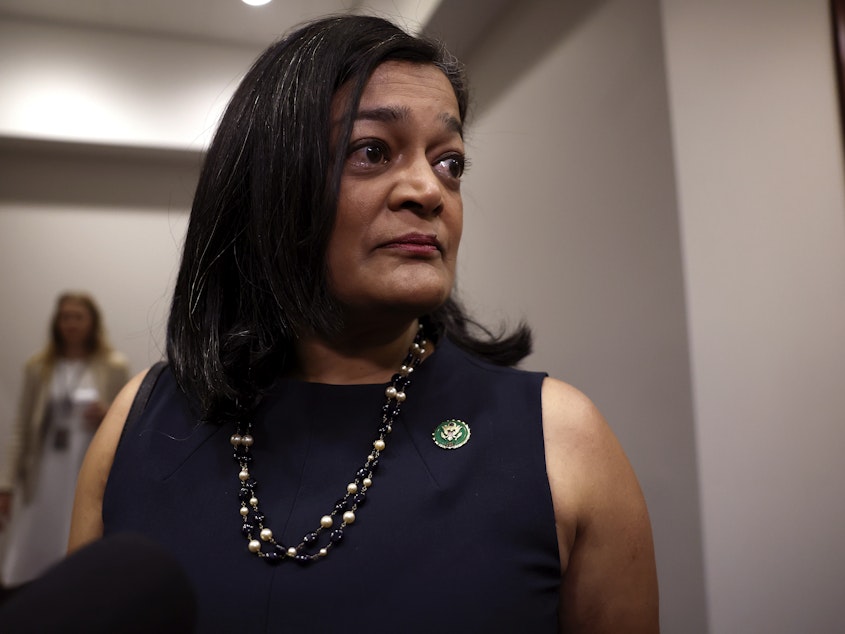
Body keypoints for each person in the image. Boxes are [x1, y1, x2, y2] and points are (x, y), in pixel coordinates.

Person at [69, 14, 659, 633]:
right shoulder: (139, 423)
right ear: (270, 185)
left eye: (450, 163)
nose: (429, 191)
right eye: (372, 152)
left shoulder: (561, 439)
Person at [0, 291, 129, 588]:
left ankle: (73, 591)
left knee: (79, 527)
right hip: (45, 468)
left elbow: (129, 420)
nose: (70, 323)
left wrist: (107, 413)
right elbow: (21, 427)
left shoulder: (113, 365)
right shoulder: (39, 366)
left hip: (87, 463)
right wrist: (6, 484)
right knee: (37, 533)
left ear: (92, 322)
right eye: (65, 316)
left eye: (78, 316)